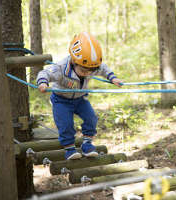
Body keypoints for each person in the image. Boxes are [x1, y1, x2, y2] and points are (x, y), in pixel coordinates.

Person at [36, 32, 123, 160]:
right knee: (65, 124)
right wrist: (42, 83)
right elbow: (45, 73)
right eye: (83, 71)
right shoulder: (61, 68)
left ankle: (87, 144)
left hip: (80, 99)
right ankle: (70, 149)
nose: (86, 73)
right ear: (73, 61)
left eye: (90, 71)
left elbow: (103, 68)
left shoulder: (91, 66)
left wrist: (113, 78)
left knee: (91, 118)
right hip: (61, 100)